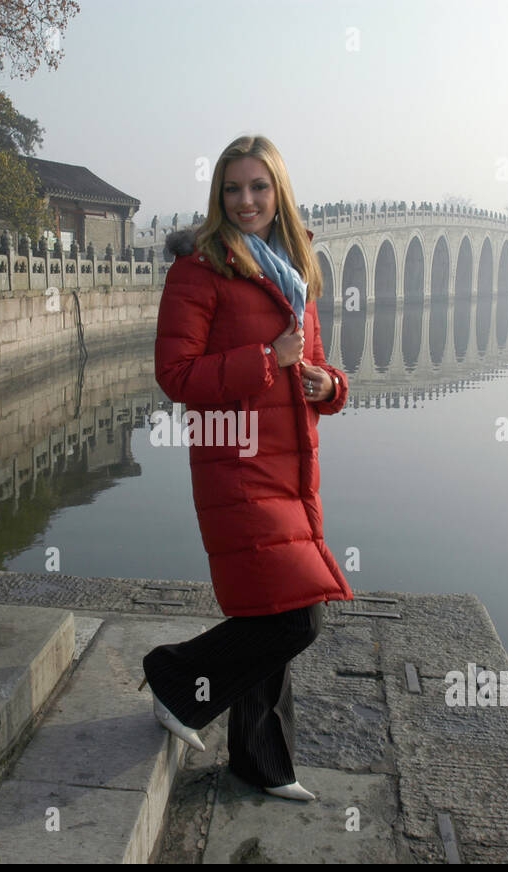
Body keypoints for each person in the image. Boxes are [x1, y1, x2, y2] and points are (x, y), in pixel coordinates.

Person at [140, 135, 353, 801]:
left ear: (279, 192)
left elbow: (312, 361)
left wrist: (329, 385)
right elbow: (176, 375)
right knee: (297, 616)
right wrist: (268, 359)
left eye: (259, 187)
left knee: (274, 606)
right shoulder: (200, 271)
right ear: (219, 196)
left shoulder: (296, 268)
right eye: (233, 189)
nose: (246, 200)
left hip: (293, 464)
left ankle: (263, 763)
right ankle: (175, 678)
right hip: (236, 460)